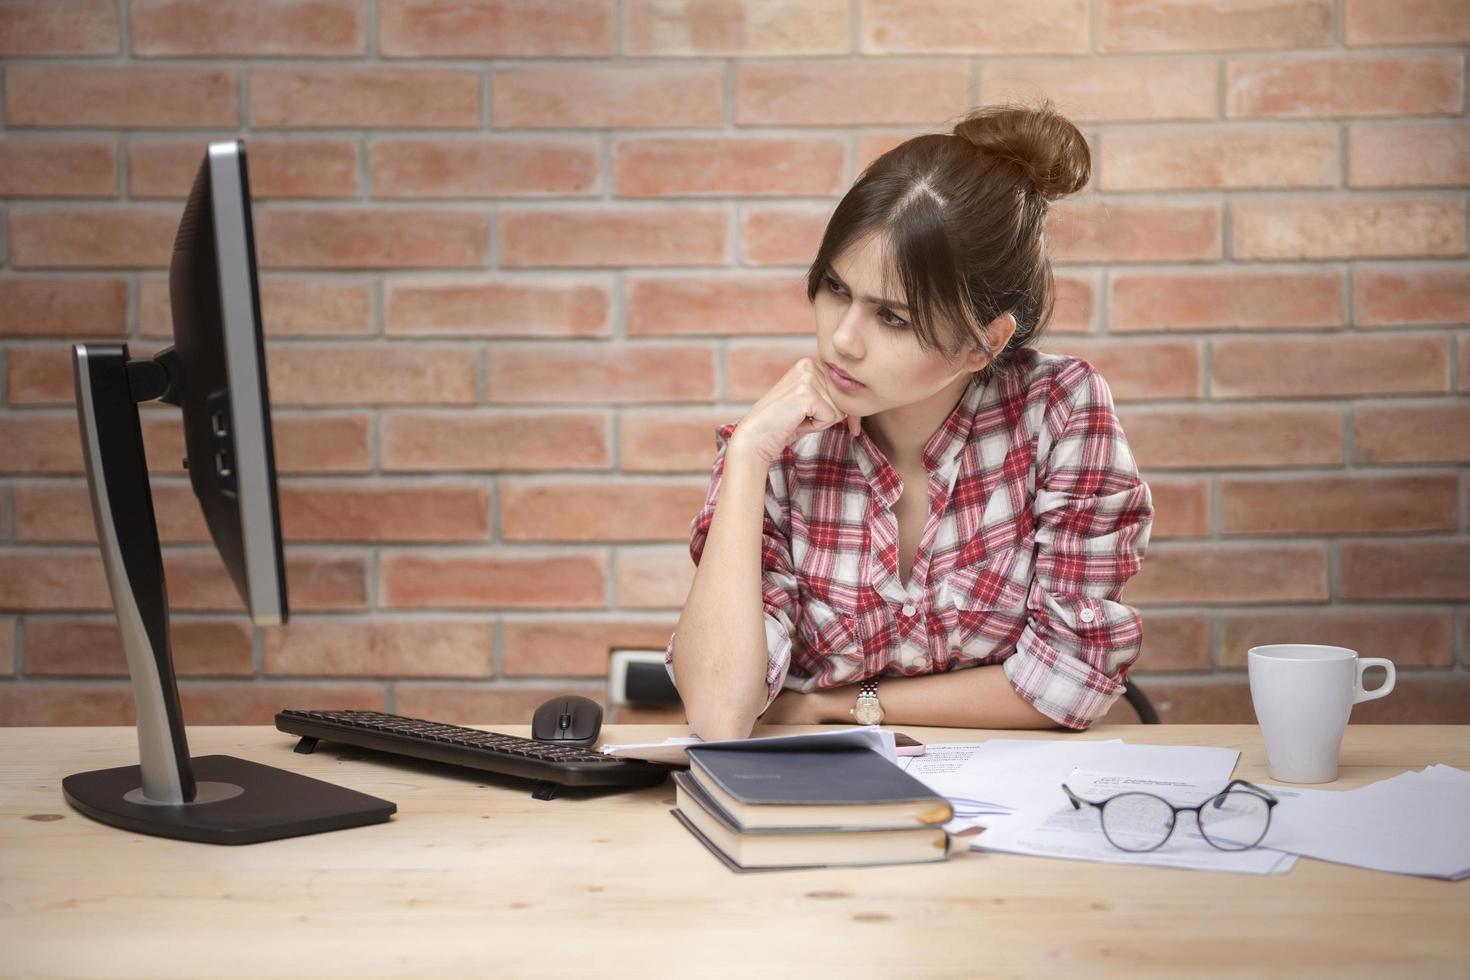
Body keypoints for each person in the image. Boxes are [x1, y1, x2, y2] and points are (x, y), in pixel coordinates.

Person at [665, 99, 1155, 743]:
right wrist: (749, 453)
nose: (842, 339)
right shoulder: (784, 445)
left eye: (892, 317)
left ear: (982, 343)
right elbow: (718, 714)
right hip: (824, 798)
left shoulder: (1058, 411)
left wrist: (839, 705)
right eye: (835, 289)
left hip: (1011, 799)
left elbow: (1069, 679)